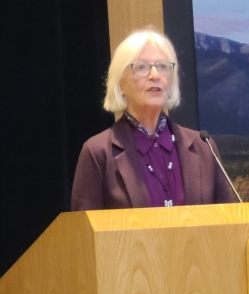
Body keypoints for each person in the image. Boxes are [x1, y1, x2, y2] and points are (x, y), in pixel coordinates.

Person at [71, 26, 234, 211]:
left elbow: (228, 222)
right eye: (141, 67)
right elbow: (84, 235)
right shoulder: (98, 153)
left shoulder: (203, 147)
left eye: (162, 66)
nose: (155, 76)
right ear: (120, 84)